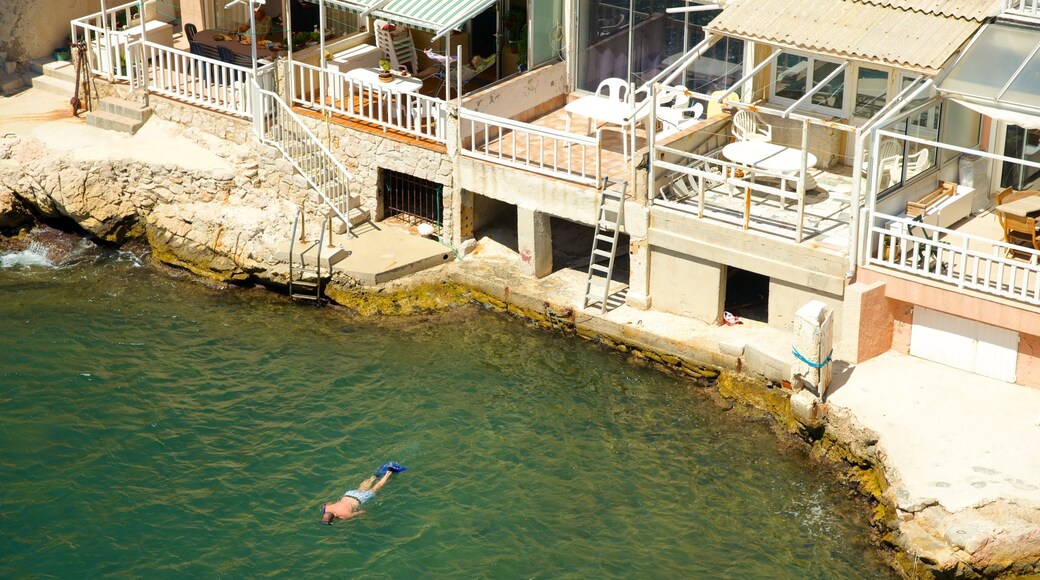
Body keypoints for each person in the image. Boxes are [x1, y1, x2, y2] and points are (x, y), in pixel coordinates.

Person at [320, 462, 407, 525]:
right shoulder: (326, 508)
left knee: (376, 488)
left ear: (334, 519)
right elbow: (327, 504)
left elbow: (362, 512)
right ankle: (373, 477)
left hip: (360, 499)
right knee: (361, 488)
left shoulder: (345, 515)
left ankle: (389, 472)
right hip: (349, 494)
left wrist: (358, 515)